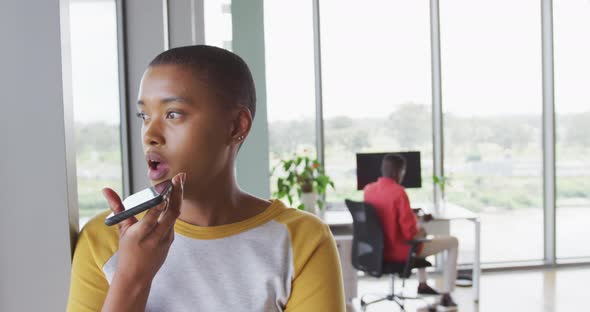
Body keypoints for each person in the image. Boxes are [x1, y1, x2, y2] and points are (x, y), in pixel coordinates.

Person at [67, 45, 345, 312]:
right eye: (144, 115)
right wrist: (131, 277)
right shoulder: (102, 239)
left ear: (236, 126)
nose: (150, 134)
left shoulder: (302, 240)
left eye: (172, 114)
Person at [363, 154, 458, 310]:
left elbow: (384, 213)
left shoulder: (369, 190)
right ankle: (447, 295)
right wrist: (420, 229)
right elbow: (409, 234)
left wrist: (410, 215)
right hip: (399, 251)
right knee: (452, 241)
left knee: (422, 233)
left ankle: (423, 284)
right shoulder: (399, 192)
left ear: (383, 169)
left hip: (378, 250)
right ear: (398, 172)